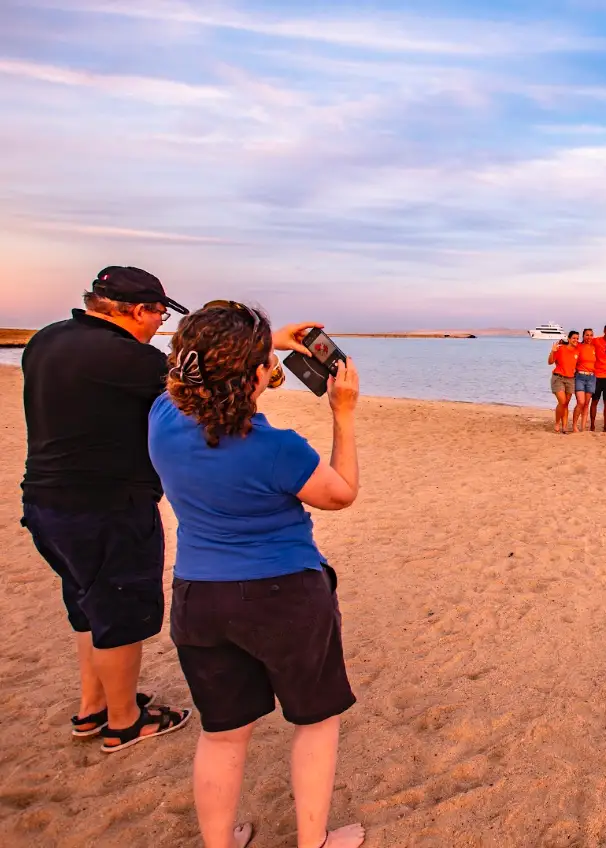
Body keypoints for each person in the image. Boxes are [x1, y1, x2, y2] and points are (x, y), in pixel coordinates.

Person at [149, 302, 365, 848]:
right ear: (251, 376)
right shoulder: (276, 448)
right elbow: (340, 494)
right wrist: (343, 412)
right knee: (314, 721)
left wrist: (270, 348)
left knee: (222, 734)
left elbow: (207, 380)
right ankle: (312, 841)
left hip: (200, 595)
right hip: (284, 594)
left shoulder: (163, 419)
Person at [20, 266, 195, 751]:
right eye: (158, 313)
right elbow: (198, 389)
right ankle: (124, 720)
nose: (159, 324)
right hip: (106, 506)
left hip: (43, 502)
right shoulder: (130, 359)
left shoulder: (47, 340)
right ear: (138, 310)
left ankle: (92, 707)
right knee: (119, 609)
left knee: (87, 606)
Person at [547, 331, 581, 434]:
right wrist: (552, 351)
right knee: (562, 401)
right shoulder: (560, 348)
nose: (575, 340)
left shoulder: (577, 352)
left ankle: (565, 427)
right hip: (558, 378)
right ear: (569, 339)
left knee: (566, 404)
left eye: (577, 338)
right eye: (574, 338)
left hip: (570, 379)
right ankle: (557, 423)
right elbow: (550, 362)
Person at [573, 328, 598, 433]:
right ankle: (574, 426)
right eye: (587, 335)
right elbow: (568, 345)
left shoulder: (594, 347)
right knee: (581, 402)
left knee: (587, 403)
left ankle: (583, 428)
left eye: (591, 335)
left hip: (591, 378)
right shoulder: (578, 346)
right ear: (583, 336)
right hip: (580, 377)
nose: (589, 337)